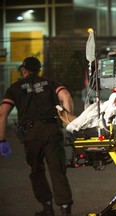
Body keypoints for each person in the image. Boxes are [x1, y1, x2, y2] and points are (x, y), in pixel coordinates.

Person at [0, 57, 74, 216]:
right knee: (57, 170)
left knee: (36, 170)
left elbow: (2, 114)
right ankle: (65, 210)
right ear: (39, 70)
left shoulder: (15, 87)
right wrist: (69, 125)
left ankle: (47, 207)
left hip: (31, 134)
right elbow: (66, 96)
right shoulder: (50, 83)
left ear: (24, 70)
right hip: (52, 130)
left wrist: (2, 140)